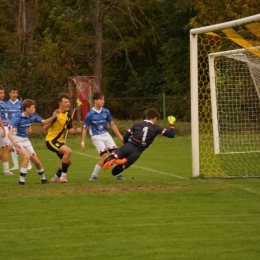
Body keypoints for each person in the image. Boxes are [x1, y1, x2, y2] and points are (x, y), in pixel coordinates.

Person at [103, 108, 176, 177]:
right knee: (115, 172)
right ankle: (119, 163)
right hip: (137, 152)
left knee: (107, 160)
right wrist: (172, 124)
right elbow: (171, 135)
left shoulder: (137, 124)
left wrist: (125, 145)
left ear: (146, 116)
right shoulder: (156, 128)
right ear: (155, 118)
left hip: (129, 146)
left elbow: (125, 136)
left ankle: (115, 159)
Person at [8, 99, 60, 185]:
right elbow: (9, 134)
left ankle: (43, 180)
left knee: (36, 162)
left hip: (25, 140)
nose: (34, 109)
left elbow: (44, 122)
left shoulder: (33, 116)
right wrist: (14, 143)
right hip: (16, 139)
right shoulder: (17, 117)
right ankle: (21, 182)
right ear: (27, 108)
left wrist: (54, 116)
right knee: (26, 158)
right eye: (33, 108)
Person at [81, 91, 126, 181]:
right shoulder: (90, 114)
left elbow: (112, 124)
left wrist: (121, 137)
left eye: (103, 99)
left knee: (116, 154)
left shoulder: (106, 111)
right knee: (105, 157)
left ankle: (118, 174)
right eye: (101, 99)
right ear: (95, 101)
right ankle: (93, 176)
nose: (103, 101)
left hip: (106, 135)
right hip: (96, 137)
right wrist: (83, 142)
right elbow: (85, 128)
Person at [45, 93, 82, 183]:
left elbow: (70, 131)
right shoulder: (56, 114)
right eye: (65, 102)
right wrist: (53, 117)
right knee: (68, 151)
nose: (68, 104)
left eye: (68, 102)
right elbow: (45, 127)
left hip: (60, 142)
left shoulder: (68, 116)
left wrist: (76, 130)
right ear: (60, 103)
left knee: (68, 162)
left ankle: (55, 177)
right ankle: (63, 177)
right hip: (51, 141)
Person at [5, 87, 32, 171]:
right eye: (13, 92)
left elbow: (27, 115)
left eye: (16, 93)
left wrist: (29, 126)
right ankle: (16, 165)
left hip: (21, 128)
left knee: (24, 145)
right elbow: (4, 115)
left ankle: (29, 164)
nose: (15, 94)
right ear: (9, 93)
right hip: (11, 128)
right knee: (13, 147)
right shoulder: (6, 104)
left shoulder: (21, 104)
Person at [0, 86, 13, 175]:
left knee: (8, 148)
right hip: (2, 127)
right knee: (5, 148)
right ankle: (6, 171)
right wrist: (3, 129)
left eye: (3, 92)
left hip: (5, 126)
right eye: (0, 93)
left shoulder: (3, 103)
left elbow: (5, 116)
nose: (2, 94)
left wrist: (9, 123)